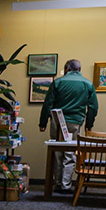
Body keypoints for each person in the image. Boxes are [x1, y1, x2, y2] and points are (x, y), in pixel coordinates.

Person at [38, 59, 98, 192]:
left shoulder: (58, 82)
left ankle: (58, 183)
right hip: (75, 121)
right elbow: (93, 107)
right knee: (70, 153)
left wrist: (42, 123)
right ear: (79, 70)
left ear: (66, 69)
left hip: (57, 121)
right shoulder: (88, 84)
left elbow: (48, 104)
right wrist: (89, 125)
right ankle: (66, 185)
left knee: (57, 152)